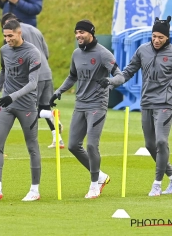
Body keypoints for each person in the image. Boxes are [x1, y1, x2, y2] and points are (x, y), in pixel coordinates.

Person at [49, 20, 124, 199]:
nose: (78, 36)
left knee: (91, 144)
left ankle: (94, 185)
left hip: (97, 105)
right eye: (76, 33)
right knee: (73, 145)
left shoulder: (103, 54)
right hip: (80, 104)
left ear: (91, 33)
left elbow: (120, 76)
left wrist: (110, 81)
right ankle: (100, 176)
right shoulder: (76, 54)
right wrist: (58, 91)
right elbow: (72, 76)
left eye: (81, 32)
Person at [0, 19, 41, 201]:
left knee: (32, 147)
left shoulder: (32, 52)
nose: (7, 40)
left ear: (19, 32)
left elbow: (33, 84)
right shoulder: (4, 50)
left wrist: (11, 96)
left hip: (27, 106)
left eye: (10, 36)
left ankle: (34, 190)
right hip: (6, 105)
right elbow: (3, 72)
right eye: (5, 36)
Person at [118, 16, 172, 196]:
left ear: (167, 37)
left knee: (161, 141)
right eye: (154, 36)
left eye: (160, 37)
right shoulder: (142, 50)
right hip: (147, 102)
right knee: (150, 145)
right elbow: (128, 71)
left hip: (165, 103)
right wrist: (112, 81)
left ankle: (157, 184)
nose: (156, 40)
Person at [0, 13, 65, 149]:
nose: (6, 35)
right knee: (45, 105)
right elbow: (46, 52)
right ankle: (57, 139)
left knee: (27, 109)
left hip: (32, 76)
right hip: (46, 72)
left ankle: (49, 115)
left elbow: (12, 58)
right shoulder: (35, 29)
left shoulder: (14, 35)